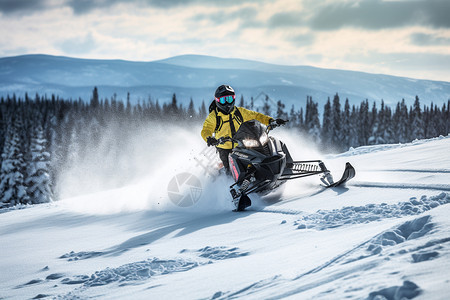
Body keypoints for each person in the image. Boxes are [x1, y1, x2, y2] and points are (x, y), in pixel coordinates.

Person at [201, 84, 286, 172]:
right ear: (217, 101)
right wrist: (209, 138)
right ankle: (229, 181)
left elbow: (256, 116)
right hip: (225, 147)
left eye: (229, 99)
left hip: (242, 144)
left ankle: (276, 167)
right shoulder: (214, 117)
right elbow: (206, 129)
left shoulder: (239, 112)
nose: (227, 103)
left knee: (263, 150)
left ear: (233, 99)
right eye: (223, 100)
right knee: (230, 170)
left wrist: (270, 121)